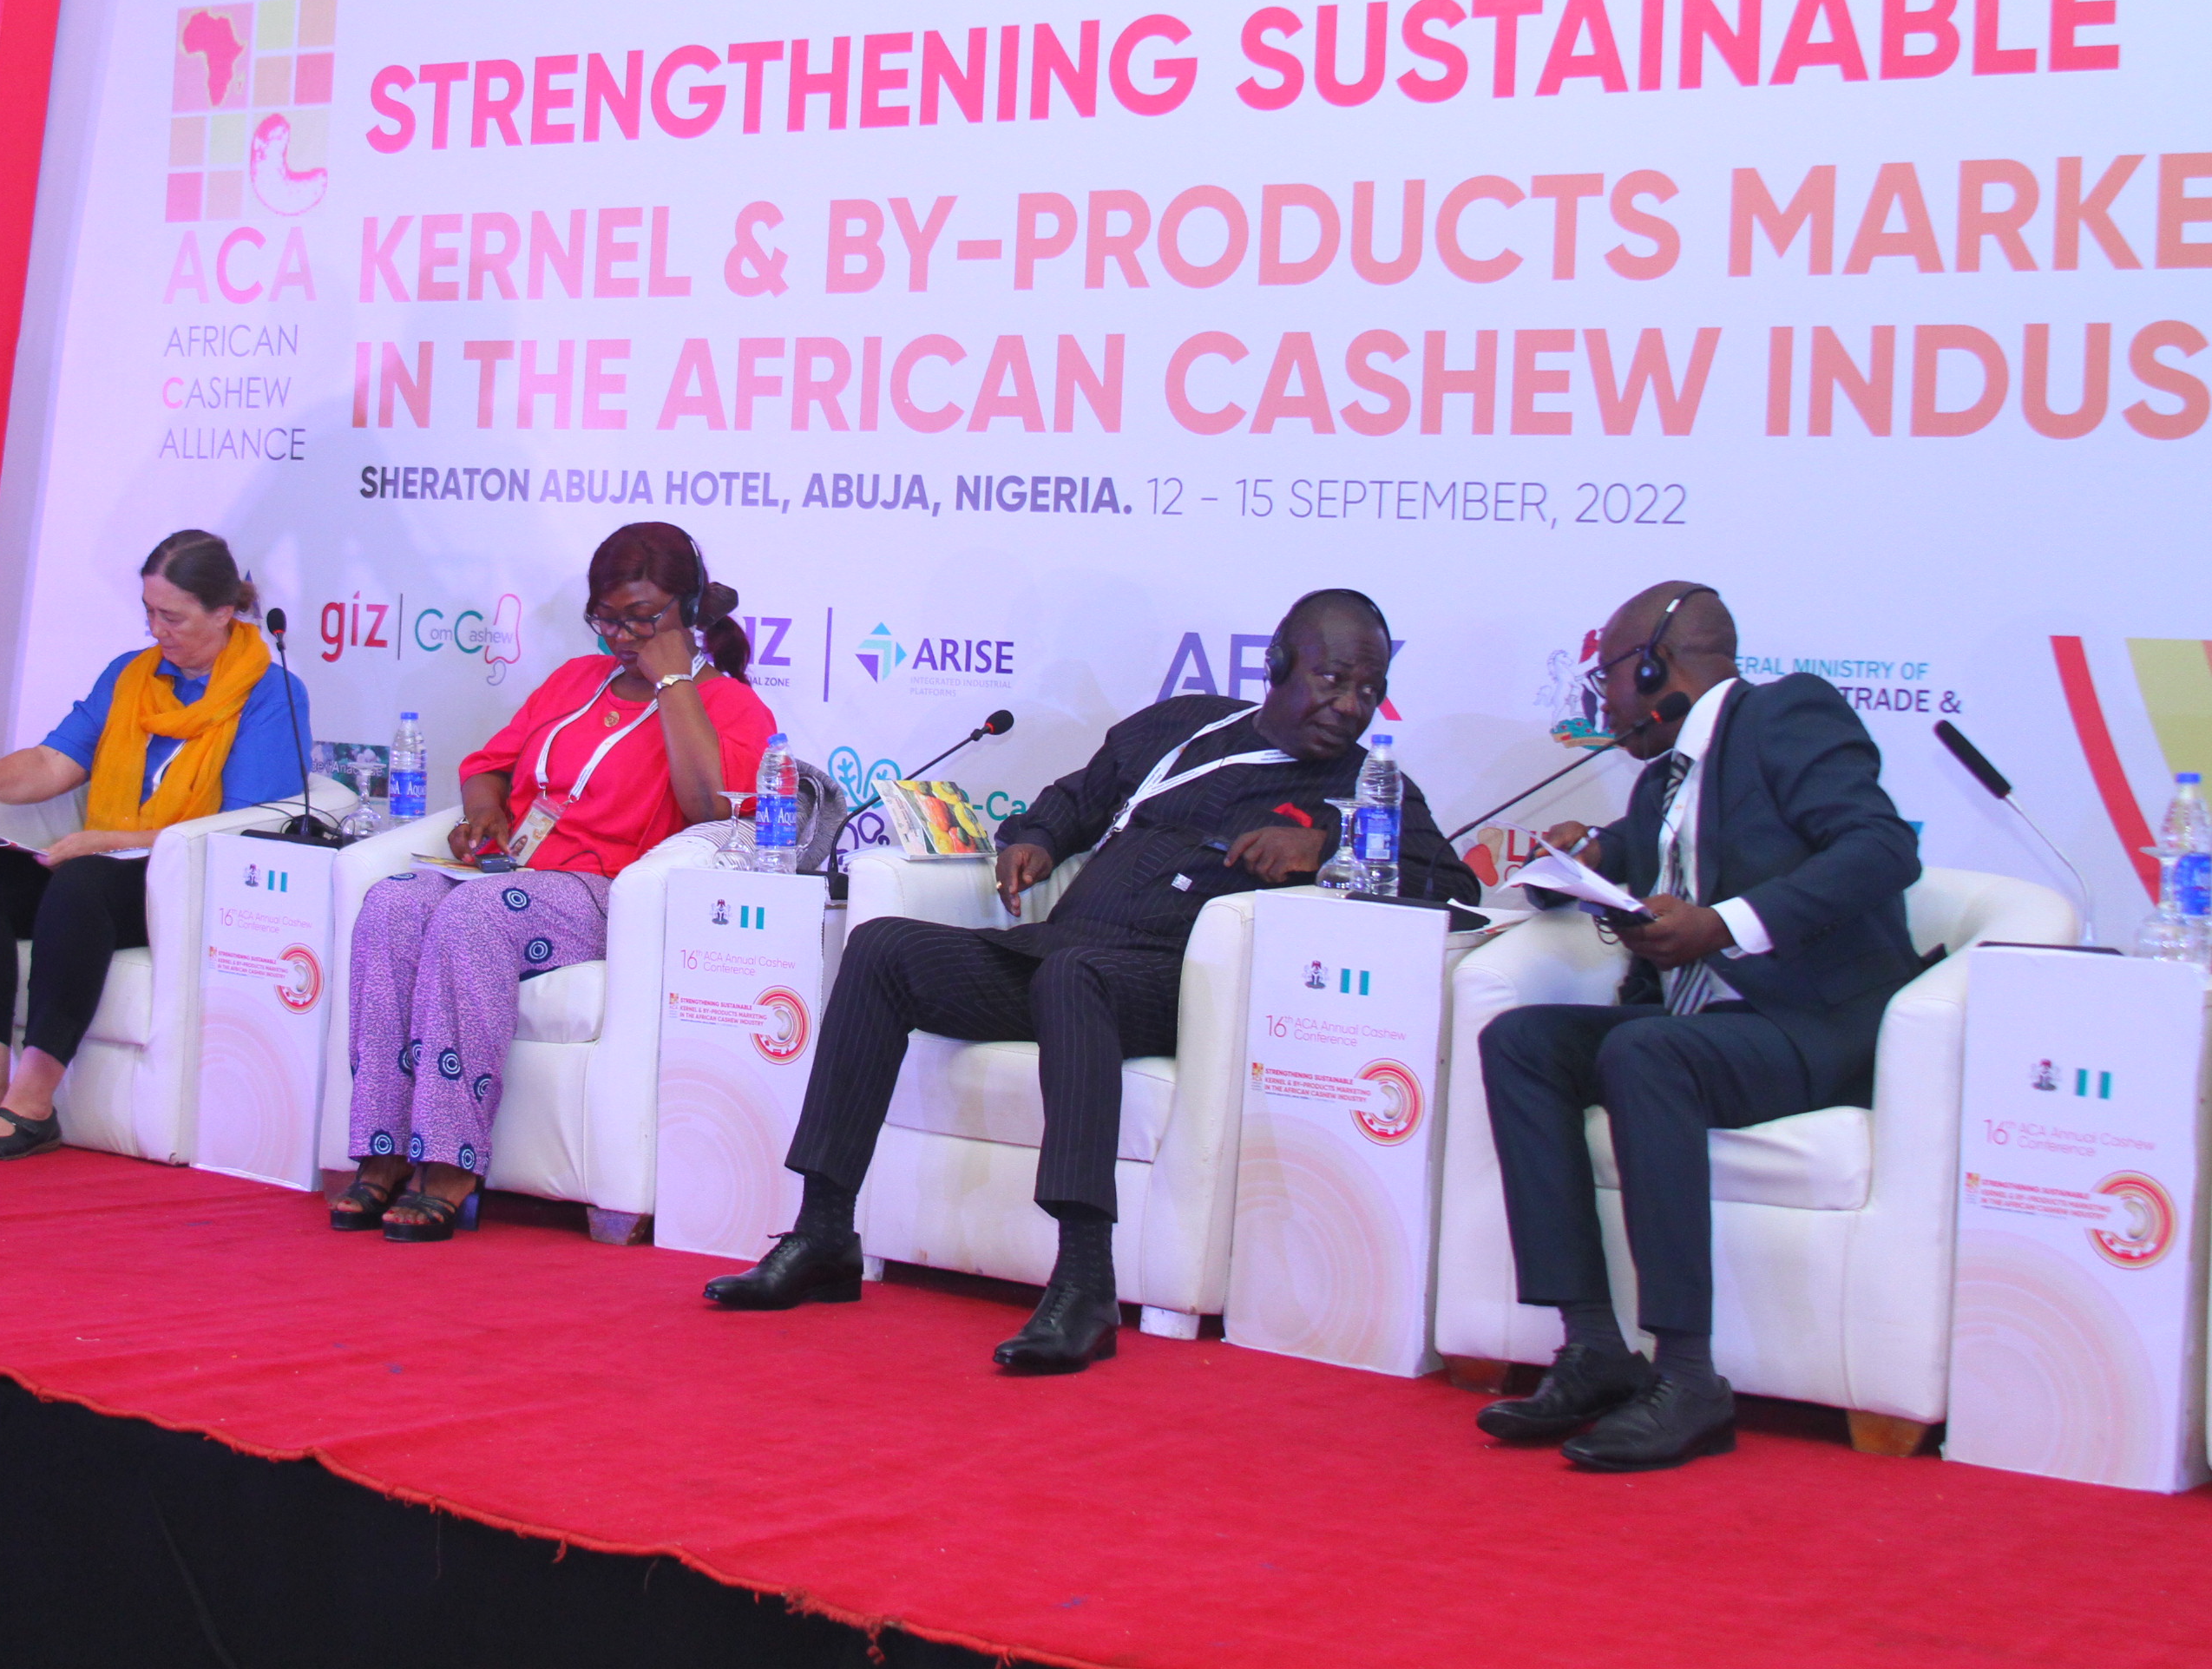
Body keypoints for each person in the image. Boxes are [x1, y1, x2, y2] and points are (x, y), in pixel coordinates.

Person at [708, 588, 1480, 1372]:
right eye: (1333, 680)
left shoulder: (1364, 787)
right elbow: (1076, 798)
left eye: (1370, 691)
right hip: (1059, 956)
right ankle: (823, 1231)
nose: (1351, 707)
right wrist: (1039, 838)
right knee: (881, 948)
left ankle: (1085, 1284)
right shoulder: (1184, 726)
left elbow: (1455, 885)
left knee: (1075, 977)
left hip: (1173, 987)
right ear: (1279, 664)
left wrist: (1329, 850)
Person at [1472, 583, 1920, 1472]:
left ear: (1654, 668)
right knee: (1521, 1044)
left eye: (1608, 679)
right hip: (1708, 1033)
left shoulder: (1786, 716)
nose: (1603, 705)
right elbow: (1657, 850)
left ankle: (1686, 1378)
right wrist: (1584, 863)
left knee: (1647, 1051)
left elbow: (1880, 847)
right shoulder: (1662, 781)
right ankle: (1593, 1346)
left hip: (1809, 1024)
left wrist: (1724, 925)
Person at [335, 522, 775, 1241]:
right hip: (515, 874)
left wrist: (674, 680)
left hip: (610, 893)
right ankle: (381, 1150)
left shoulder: (730, 706)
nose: (622, 637)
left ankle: (450, 1162)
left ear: (689, 609)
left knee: (476, 915)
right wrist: (483, 815)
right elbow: (488, 766)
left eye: (643, 618)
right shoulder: (575, 681)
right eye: (607, 618)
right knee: (391, 904)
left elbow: (709, 808)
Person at [0, 531, 311, 1161]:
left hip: (186, 882)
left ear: (223, 612)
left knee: (82, 880)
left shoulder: (270, 694)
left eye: (172, 617)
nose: (156, 630)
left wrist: (108, 841)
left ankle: (33, 1102)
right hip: (104, 863)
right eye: (149, 612)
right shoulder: (131, 675)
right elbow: (54, 761)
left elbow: (238, 830)